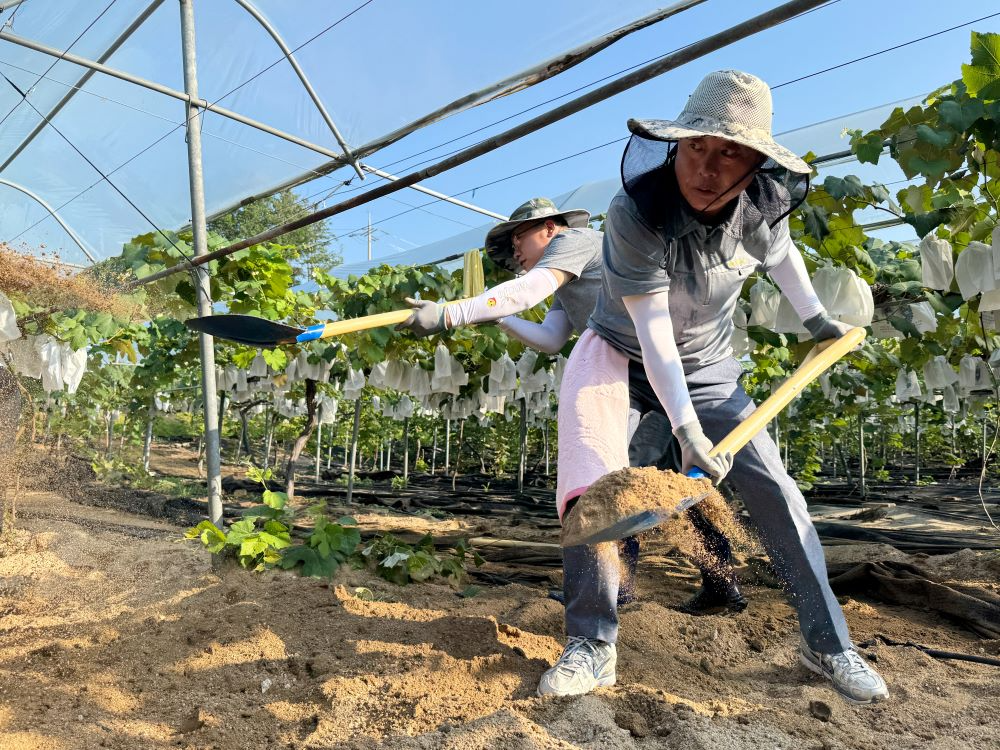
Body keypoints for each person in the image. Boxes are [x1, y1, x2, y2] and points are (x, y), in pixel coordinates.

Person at [539, 70, 888, 705]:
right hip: (620, 353)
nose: (706, 166)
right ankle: (591, 643)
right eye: (696, 147)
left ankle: (827, 643)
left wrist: (817, 321)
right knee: (596, 489)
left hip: (708, 368)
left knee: (777, 491)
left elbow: (782, 257)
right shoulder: (635, 212)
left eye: (729, 152)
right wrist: (687, 431)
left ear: (755, 165)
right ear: (675, 147)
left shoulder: (759, 207)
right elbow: (653, 331)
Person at [399, 198, 747, 613]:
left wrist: (451, 314)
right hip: (632, 376)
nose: (515, 254)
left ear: (549, 228)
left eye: (517, 241)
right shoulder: (568, 278)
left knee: (622, 477)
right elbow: (550, 338)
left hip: (664, 369)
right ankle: (679, 586)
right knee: (661, 477)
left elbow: (524, 293)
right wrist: (497, 317)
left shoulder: (578, 241)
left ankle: (636, 588)